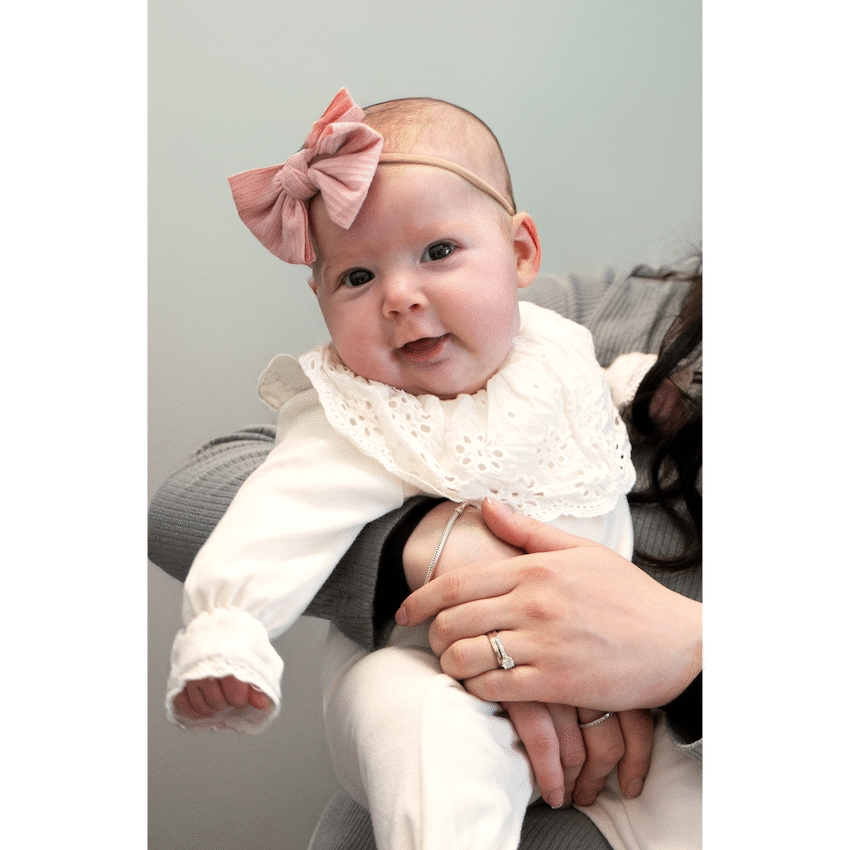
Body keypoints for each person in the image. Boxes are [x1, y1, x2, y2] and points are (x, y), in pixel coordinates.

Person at [161, 87, 680, 850]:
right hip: (429, 673)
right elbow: (277, 514)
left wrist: (649, 393)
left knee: (686, 791)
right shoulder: (364, 413)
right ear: (320, 300)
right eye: (356, 278)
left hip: (617, 694)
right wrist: (228, 630)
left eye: (437, 253)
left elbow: (589, 392)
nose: (401, 297)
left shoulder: (554, 345)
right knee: (427, 737)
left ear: (521, 253)